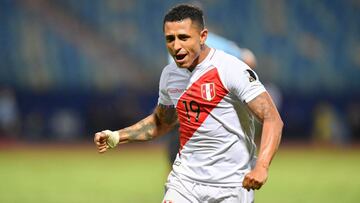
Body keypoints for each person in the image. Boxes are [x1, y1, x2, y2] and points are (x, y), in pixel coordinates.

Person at [94, 4, 283, 203]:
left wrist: (262, 166)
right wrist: (116, 136)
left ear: (203, 36)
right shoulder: (170, 75)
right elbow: (161, 122)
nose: (176, 46)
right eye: (170, 39)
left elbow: (272, 119)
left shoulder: (230, 69)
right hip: (184, 182)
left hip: (232, 185)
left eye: (183, 37)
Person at [166, 32, 257, 168]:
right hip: (200, 112)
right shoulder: (212, 44)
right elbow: (249, 58)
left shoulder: (180, 45)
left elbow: (248, 59)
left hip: (195, 112)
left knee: (181, 163)